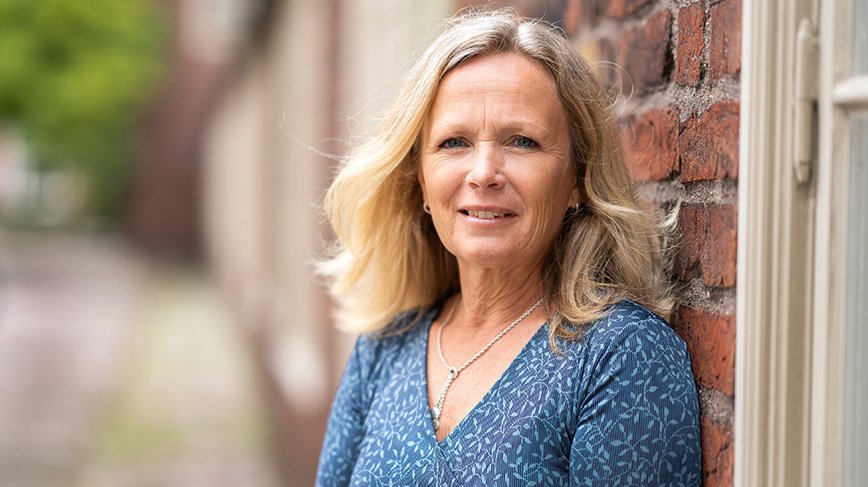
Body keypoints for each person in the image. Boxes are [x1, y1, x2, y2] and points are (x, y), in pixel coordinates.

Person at [315, 8, 701, 486]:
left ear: (577, 179)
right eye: (454, 142)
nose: (483, 173)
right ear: (420, 179)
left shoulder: (621, 356)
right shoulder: (384, 349)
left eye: (521, 141)